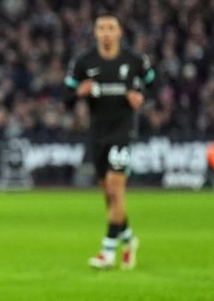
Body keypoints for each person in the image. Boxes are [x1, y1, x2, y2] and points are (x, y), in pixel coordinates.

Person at [64, 15, 155, 270]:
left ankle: (108, 252)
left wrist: (142, 97)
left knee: (116, 190)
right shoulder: (84, 62)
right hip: (97, 134)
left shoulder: (135, 61)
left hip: (123, 133)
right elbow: (65, 95)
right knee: (109, 195)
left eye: (111, 28)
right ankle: (128, 239)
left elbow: (154, 83)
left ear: (119, 32)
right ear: (95, 33)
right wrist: (78, 93)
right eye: (101, 28)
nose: (106, 33)